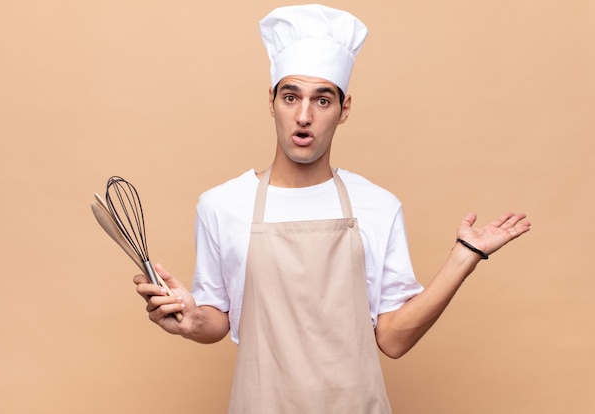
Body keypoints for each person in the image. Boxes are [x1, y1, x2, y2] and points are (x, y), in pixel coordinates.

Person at [134, 4, 531, 413]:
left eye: (322, 100)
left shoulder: (377, 205)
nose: (304, 116)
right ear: (271, 101)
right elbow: (217, 320)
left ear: (344, 110)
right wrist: (189, 318)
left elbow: (393, 339)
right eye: (291, 97)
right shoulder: (221, 205)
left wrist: (465, 256)